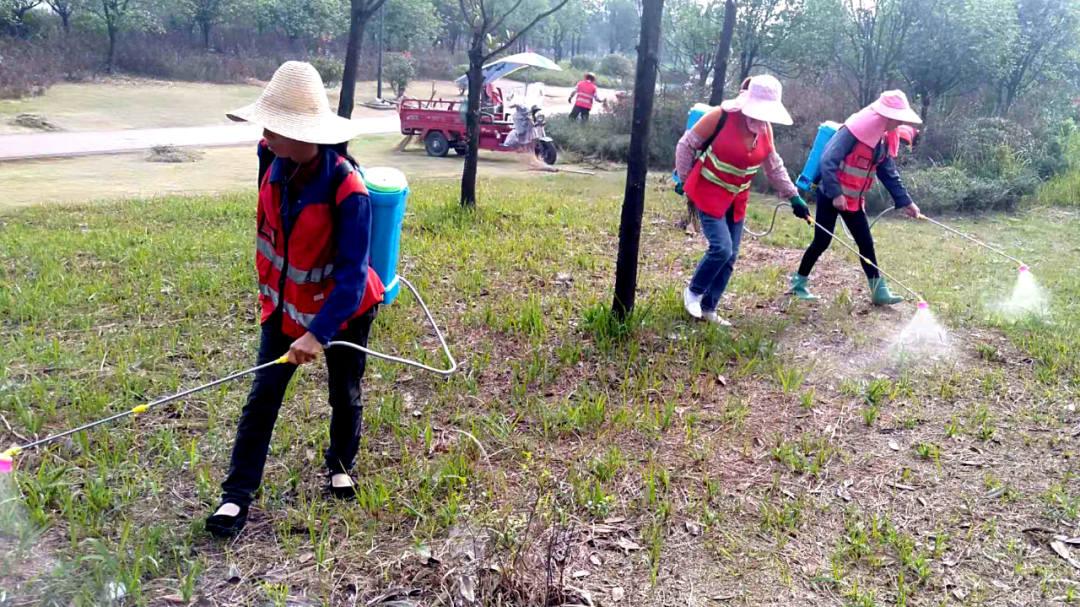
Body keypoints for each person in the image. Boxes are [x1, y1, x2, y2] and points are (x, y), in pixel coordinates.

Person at [205, 61, 386, 538]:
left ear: (305, 134)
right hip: (283, 310)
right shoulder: (271, 158)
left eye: (276, 128)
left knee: (343, 393)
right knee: (262, 397)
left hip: (344, 314)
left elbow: (350, 278)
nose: (266, 135)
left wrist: (317, 334)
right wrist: (292, 320)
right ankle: (236, 496)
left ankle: (341, 464)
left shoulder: (350, 191)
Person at [675, 74, 806, 326]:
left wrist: (794, 197)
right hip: (708, 192)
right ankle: (693, 291)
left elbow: (774, 167)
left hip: (736, 199)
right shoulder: (720, 116)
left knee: (732, 255)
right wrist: (683, 178)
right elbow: (686, 144)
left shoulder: (765, 129)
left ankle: (709, 308)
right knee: (721, 248)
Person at [789, 90, 923, 304]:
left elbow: (888, 173)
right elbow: (828, 160)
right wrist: (836, 193)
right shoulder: (853, 131)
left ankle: (879, 292)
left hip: (853, 201)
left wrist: (906, 202)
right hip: (830, 195)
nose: (898, 123)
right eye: (897, 118)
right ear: (886, 116)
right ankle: (798, 284)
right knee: (822, 241)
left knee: (866, 243)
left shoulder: (884, 139)